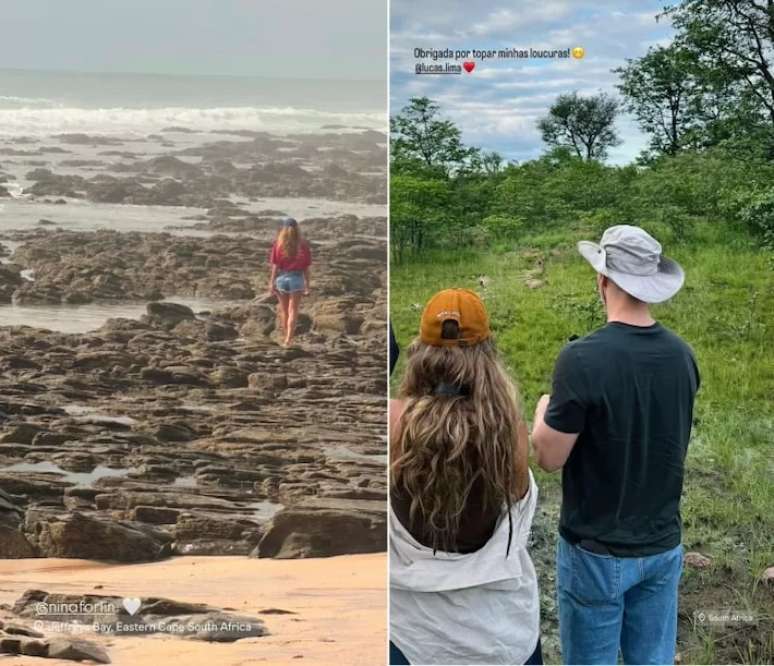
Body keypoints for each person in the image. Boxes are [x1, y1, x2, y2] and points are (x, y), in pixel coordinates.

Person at [531, 225, 700, 665]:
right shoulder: (682, 356)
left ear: (602, 280)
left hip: (595, 550)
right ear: (651, 285)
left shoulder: (581, 358)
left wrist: (541, 414)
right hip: (663, 544)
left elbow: (549, 457)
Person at [389, 288, 542, 665]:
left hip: (411, 637)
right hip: (500, 635)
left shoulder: (393, 423)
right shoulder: (509, 435)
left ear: (420, 352)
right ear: (487, 354)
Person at [268, 217, 311, 346]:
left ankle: (285, 336)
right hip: (297, 279)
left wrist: (271, 283)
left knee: (284, 311)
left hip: (282, 279)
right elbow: (306, 268)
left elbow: (275, 266)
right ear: (297, 228)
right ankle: (288, 339)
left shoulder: (279, 244)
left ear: (283, 229)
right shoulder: (303, 245)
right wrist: (307, 285)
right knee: (293, 311)